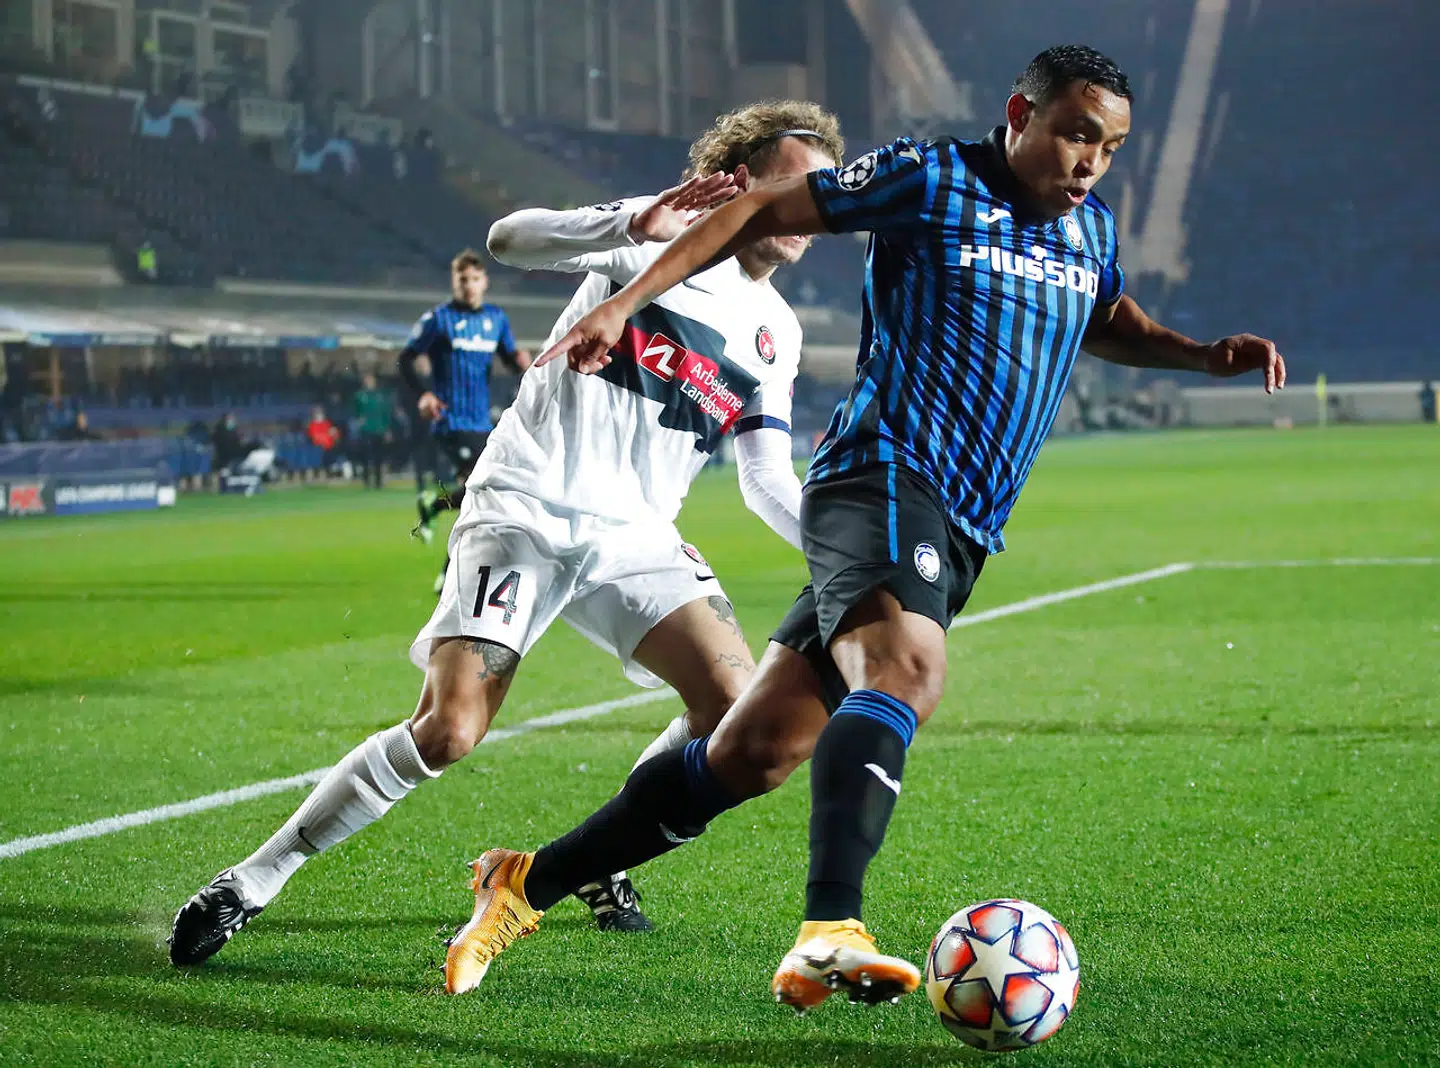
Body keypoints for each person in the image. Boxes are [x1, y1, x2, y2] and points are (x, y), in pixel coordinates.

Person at [440, 45, 1287, 1010]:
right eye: (1076, 134)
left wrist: (1199, 355)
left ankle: (523, 882)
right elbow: (759, 209)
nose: (1091, 161)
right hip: (882, 476)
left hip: (965, 522)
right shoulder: (930, 179)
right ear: (1022, 115)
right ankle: (828, 930)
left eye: (1110, 146)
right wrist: (627, 301)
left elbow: (1101, 314)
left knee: (754, 754)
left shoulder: (1086, 230)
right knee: (905, 673)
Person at [167, 100, 846, 969]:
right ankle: (256, 877)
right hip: (527, 505)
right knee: (448, 731)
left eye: (820, 190)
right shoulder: (654, 237)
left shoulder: (779, 332)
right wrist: (629, 220)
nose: (808, 206)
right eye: (792, 182)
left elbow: (764, 476)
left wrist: (846, 552)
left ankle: (598, 859)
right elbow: (508, 239)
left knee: (734, 715)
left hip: (636, 537)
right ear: (740, 179)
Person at [404, 252, 532, 594]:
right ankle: (450, 572)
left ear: (484, 282)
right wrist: (424, 394)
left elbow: (507, 358)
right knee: (484, 490)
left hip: (481, 422)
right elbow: (406, 358)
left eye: (475, 279)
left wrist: (520, 362)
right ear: (454, 282)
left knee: (481, 493)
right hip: (450, 419)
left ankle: (434, 507)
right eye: (463, 280)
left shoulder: (496, 319)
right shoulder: (438, 320)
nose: (469, 286)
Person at [352, 371, 391, 489]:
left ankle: (378, 482)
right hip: (366, 429)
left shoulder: (380, 395)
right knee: (366, 456)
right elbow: (355, 411)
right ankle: (366, 481)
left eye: (371, 380)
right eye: (367, 380)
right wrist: (359, 420)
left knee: (379, 457)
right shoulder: (360, 395)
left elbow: (385, 413)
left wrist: (386, 429)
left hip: (379, 429)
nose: (369, 382)